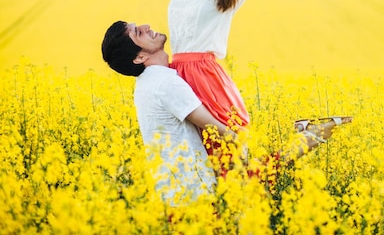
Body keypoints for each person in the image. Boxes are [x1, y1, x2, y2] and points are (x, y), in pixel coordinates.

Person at [137, 0, 384, 160]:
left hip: (203, 78)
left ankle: (309, 137)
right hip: (177, 75)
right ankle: (306, 135)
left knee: (231, 166)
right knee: (200, 161)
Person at [101, 20, 340, 197]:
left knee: (248, 182)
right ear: (139, 57)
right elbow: (213, 126)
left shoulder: (149, 82)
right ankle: (307, 139)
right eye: (137, 32)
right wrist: (245, 143)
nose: (145, 26)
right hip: (191, 194)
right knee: (250, 178)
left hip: (176, 190)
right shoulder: (165, 82)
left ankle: (306, 139)